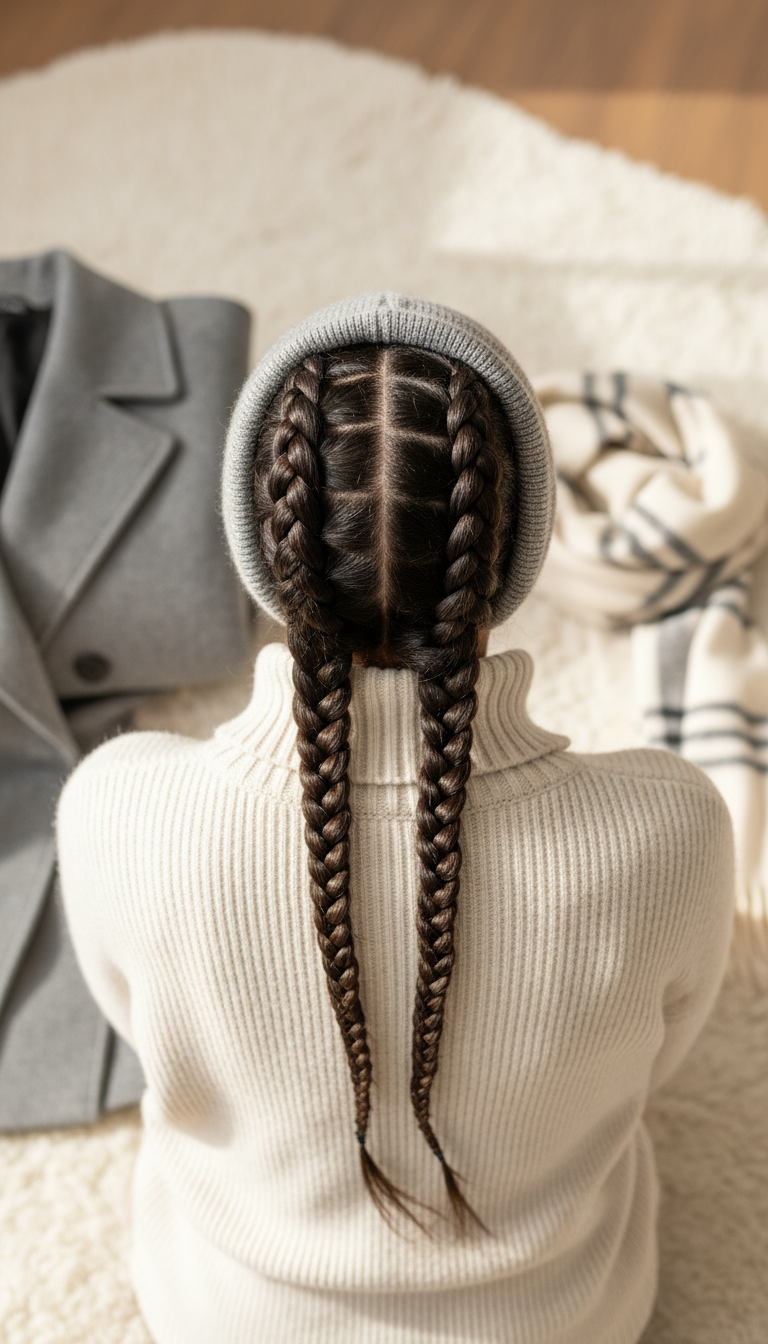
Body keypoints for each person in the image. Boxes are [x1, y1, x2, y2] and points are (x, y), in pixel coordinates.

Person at [57, 293, 734, 1344]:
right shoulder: (672, 829)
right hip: (566, 1320)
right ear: (510, 561)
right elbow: (658, 1065)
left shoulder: (115, 807)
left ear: (262, 549)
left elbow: (144, 1030)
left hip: (229, 1319)